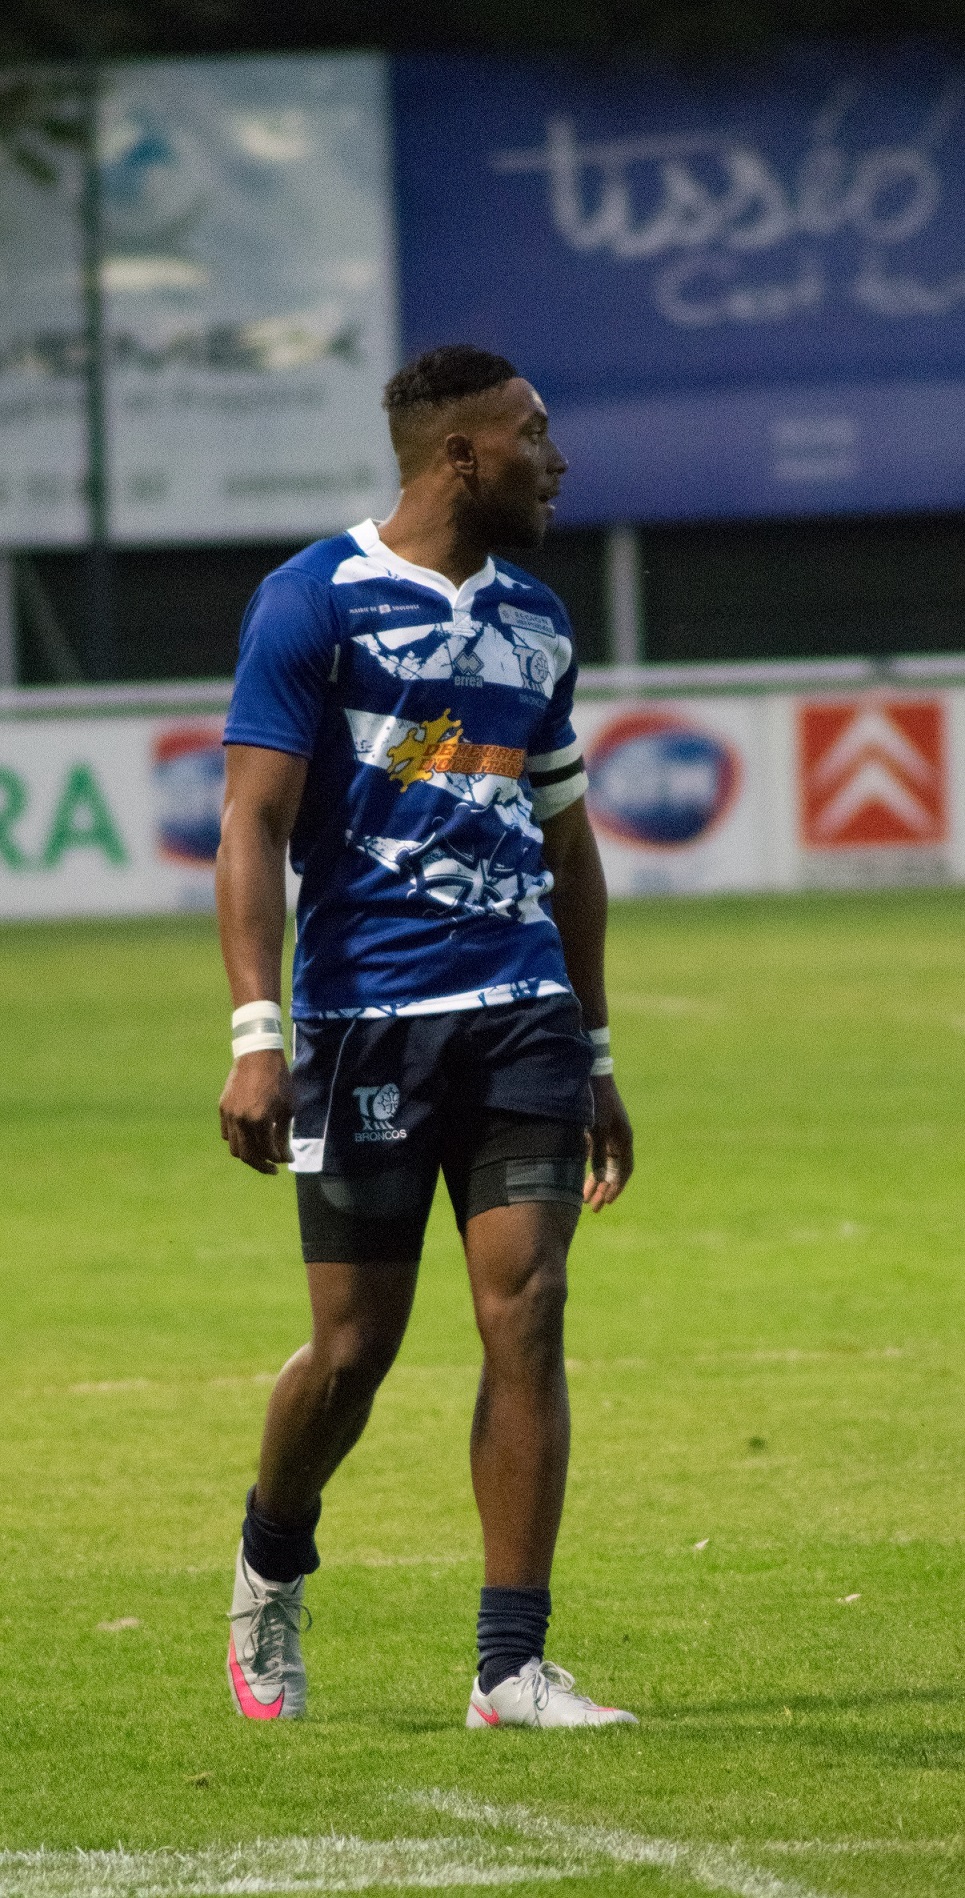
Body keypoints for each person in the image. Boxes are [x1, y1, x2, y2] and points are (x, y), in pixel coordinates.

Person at [216, 344, 635, 1729]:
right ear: (461, 455)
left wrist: (596, 1053)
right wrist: (256, 1032)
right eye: (533, 434)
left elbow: (568, 849)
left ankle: (509, 1665)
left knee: (529, 1309)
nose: (555, 459)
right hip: (363, 1028)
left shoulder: (536, 620)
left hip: (520, 1014)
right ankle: (272, 1557)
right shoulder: (313, 600)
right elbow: (252, 825)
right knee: (352, 1350)